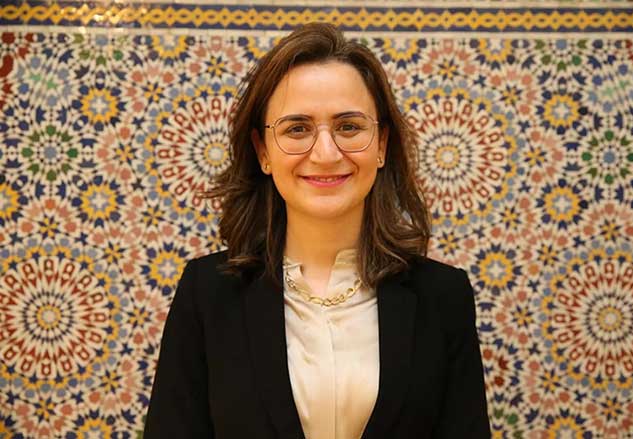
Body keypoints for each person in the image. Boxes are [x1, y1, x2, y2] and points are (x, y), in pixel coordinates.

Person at [143, 22, 490, 438]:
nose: (326, 153)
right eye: (297, 128)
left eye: (348, 127)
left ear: (381, 144)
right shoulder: (207, 293)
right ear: (262, 151)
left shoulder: (443, 296)